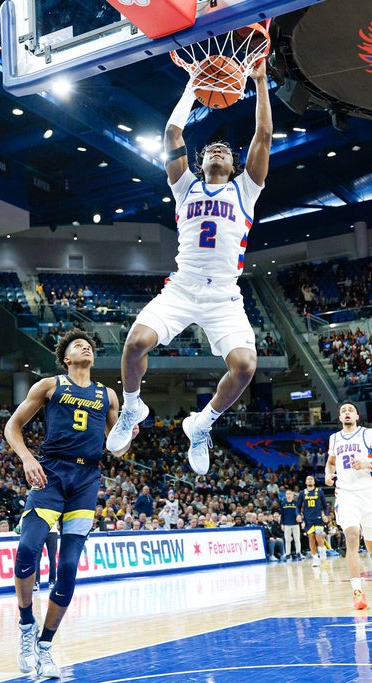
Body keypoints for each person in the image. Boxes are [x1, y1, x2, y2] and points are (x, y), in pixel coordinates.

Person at [106, 58, 273, 476]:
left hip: (224, 296)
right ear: (200, 163)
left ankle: (202, 424)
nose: (218, 150)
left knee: (245, 367)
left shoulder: (246, 190)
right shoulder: (185, 186)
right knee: (134, 344)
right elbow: (172, 133)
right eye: (210, 150)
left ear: (234, 166)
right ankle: (132, 408)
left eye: (225, 150)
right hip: (182, 288)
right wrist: (193, 87)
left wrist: (261, 82)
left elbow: (264, 136)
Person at [4, 330, 135, 678]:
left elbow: (116, 448)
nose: (85, 347)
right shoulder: (49, 385)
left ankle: (45, 646)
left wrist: (128, 436)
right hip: (50, 474)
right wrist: (27, 459)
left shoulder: (107, 395)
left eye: (89, 345)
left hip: (87, 480)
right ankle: (26, 625)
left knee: (69, 567)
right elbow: (13, 427)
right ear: (66, 358)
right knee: (27, 549)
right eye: (78, 345)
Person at [325, 401, 372, 610]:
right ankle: (357, 591)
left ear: (356, 416)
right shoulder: (334, 438)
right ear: (339, 417)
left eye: (350, 410)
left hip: (368, 494)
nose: (346, 413)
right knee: (351, 537)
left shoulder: (368, 434)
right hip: (345, 495)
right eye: (343, 410)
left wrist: (368, 464)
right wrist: (328, 473)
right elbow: (331, 462)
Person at [300, 475, 329, 568]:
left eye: (311, 479)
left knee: (319, 537)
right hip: (308, 520)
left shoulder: (319, 492)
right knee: (311, 538)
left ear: (314, 482)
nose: (309, 480)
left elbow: (325, 505)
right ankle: (315, 559)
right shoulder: (302, 493)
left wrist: (326, 515)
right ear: (305, 482)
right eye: (308, 479)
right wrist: (298, 516)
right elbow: (297, 506)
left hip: (318, 519)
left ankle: (323, 553)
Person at [281, 489, 301, 561]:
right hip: (287, 524)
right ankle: (288, 554)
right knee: (287, 540)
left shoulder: (296, 503)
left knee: (297, 539)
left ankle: (298, 553)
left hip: (295, 524)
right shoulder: (283, 503)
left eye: (290, 494)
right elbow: (282, 515)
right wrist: (282, 524)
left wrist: (301, 522)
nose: (289, 495)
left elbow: (299, 514)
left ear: (292, 495)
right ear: (286, 495)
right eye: (287, 494)